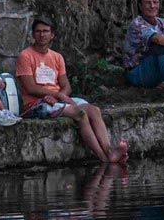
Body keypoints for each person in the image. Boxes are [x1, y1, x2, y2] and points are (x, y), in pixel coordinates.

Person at [16, 18, 128, 162]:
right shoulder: (25, 55)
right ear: (33, 34)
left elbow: (66, 86)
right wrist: (57, 95)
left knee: (94, 110)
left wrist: (58, 96)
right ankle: (104, 159)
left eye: (45, 31)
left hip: (56, 99)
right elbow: (30, 87)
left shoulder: (57, 57)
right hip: (36, 104)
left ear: (52, 35)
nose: (42, 35)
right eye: (38, 31)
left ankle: (109, 151)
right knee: (80, 114)